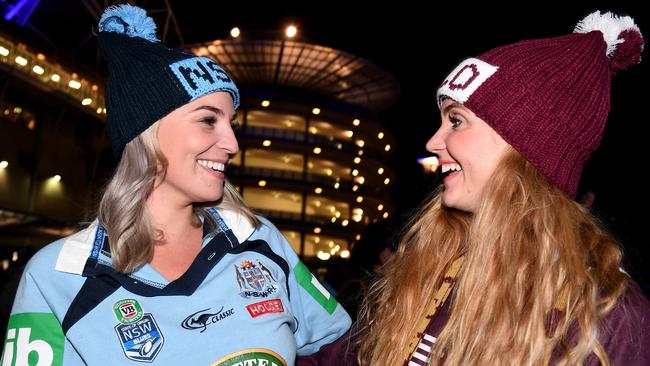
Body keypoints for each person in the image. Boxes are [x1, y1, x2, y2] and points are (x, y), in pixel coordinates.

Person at [0, 4, 350, 365]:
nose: (232, 144)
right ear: (147, 133)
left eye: (231, 122)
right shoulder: (56, 276)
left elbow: (336, 347)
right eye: (208, 120)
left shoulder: (260, 240)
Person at [300, 10, 650, 366]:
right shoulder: (429, 263)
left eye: (456, 120)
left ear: (523, 146)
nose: (434, 141)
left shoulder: (605, 313)